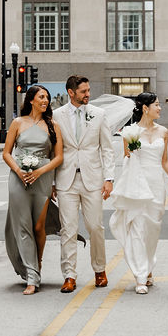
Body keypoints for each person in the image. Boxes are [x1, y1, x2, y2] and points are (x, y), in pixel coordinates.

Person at [53, 76, 115, 293]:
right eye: (83, 91)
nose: (88, 94)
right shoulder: (57, 116)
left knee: (95, 227)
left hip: (93, 179)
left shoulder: (99, 114)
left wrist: (109, 178)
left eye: (88, 90)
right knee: (68, 230)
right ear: (71, 92)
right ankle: (69, 275)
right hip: (65, 180)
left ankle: (100, 270)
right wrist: (52, 181)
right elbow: (53, 150)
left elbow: (107, 149)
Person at [109, 92, 168, 294]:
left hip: (156, 186)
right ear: (145, 108)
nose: (160, 108)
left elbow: (164, 162)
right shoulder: (130, 132)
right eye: (156, 104)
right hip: (137, 185)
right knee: (137, 229)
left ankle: (148, 268)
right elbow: (128, 159)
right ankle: (140, 275)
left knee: (152, 231)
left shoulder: (164, 132)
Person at [3, 85, 65, 294]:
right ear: (31, 100)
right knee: (23, 227)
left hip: (43, 178)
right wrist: (19, 171)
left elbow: (58, 157)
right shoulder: (17, 123)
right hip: (18, 179)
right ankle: (32, 277)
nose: (45, 100)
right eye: (41, 97)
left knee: (38, 227)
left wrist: (40, 172)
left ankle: (35, 265)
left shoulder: (53, 125)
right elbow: (6, 153)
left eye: (47, 97)